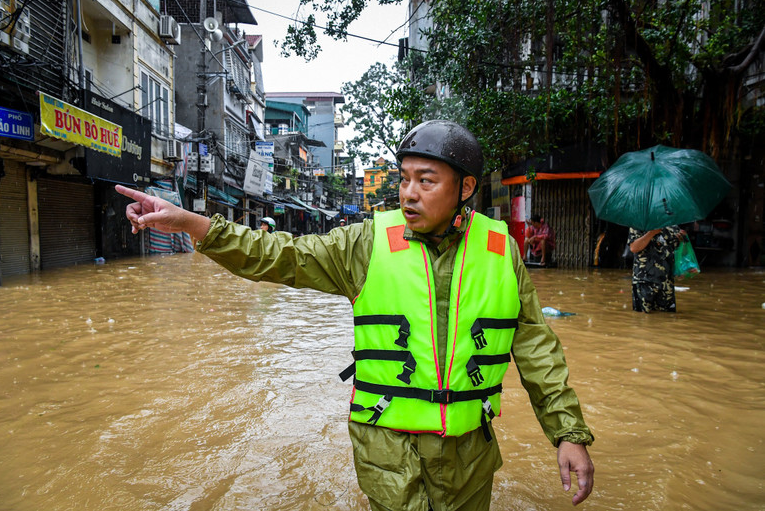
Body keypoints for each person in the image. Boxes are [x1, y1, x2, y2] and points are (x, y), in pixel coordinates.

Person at [115, 120, 594, 510]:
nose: (408, 193)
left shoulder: (500, 252)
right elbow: (281, 255)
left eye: (426, 181)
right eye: (405, 179)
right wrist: (192, 223)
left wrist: (567, 434)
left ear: (466, 187)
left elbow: (536, 349)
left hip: (469, 452)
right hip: (387, 447)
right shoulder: (364, 244)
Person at [628, 226, 685, 313]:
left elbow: (678, 252)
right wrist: (651, 233)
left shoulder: (672, 226)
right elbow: (634, 248)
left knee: (667, 319)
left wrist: (682, 240)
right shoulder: (638, 224)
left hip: (666, 283)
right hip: (644, 282)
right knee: (641, 319)